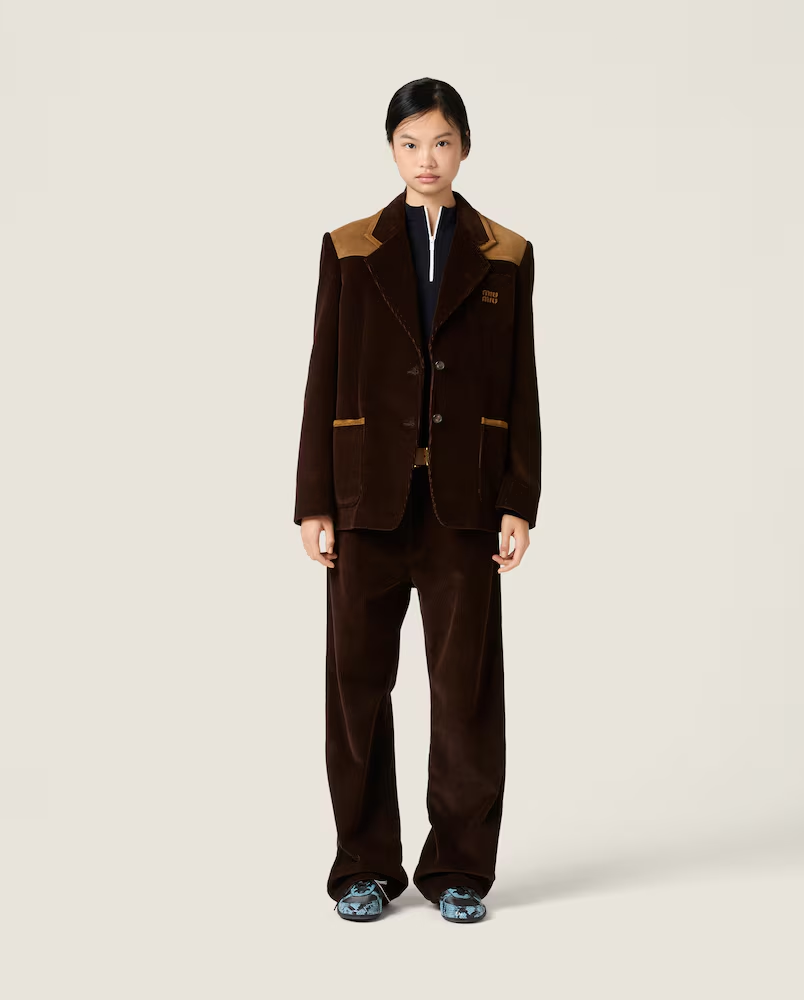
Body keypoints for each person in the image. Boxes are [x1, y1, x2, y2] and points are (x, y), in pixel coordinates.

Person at [293, 77, 541, 923]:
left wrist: (519, 499)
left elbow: (522, 382)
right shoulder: (348, 249)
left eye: (440, 142)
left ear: (463, 147)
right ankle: (364, 865)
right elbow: (324, 372)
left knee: (465, 692)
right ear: (391, 150)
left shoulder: (506, 253)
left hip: (464, 504)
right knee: (356, 691)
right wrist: (314, 500)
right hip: (365, 499)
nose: (425, 158)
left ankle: (460, 868)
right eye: (409, 143)